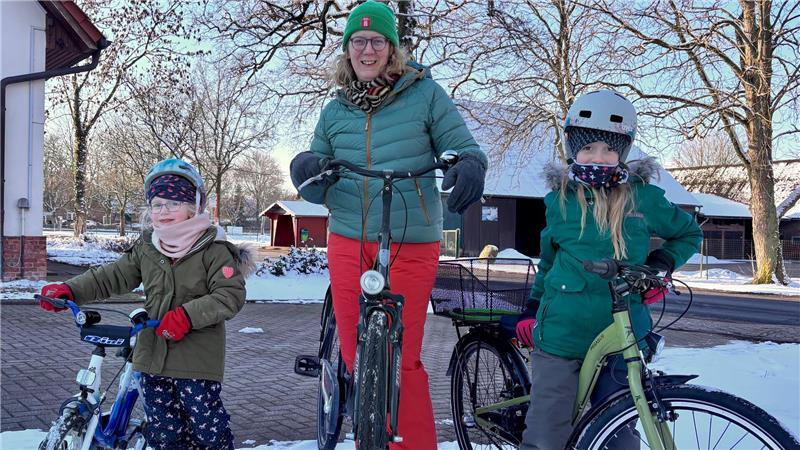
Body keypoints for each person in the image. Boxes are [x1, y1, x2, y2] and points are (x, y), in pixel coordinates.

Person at [289, 2, 487, 448]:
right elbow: (318, 175)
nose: (368, 49)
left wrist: (470, 163)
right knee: (354, 351)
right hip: (347, 234)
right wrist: (306, 168)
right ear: (347, 49)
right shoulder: (334, 111)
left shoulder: (425, 94)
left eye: (377, 40)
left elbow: (462, 143)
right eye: (358, 41)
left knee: (404, 356)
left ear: (392, 47)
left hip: (411, 238)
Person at [514, 90, 703, 450]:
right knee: (548, 432)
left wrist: (660, 264)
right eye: (587, 148)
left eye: (608, 149)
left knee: (618, 432)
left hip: (624, 334)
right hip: (562, 333)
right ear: (573, 149)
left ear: (623, 152)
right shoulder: (559, 201)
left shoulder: (642, 197)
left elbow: (688, 233)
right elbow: (549, 262)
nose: (598, 158)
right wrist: (532, 308)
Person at [39, 159, 254, 449]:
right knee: (164, 435)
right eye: (157, 204)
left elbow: (229, 295)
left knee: (208, 434)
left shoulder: (214, 250)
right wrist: (70, 290)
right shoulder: (148, 247)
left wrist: (187, 316)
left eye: (174, 203)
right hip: (152, 358)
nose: (163, 211)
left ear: (194, 207)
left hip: (196, 363)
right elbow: (111, 277)